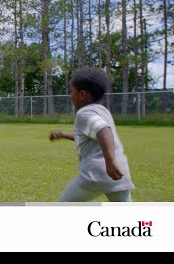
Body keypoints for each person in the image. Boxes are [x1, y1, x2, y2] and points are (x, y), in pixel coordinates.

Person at [49, 67, 135, 202]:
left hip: (97, 174)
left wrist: (110, 161)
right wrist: (63, 134)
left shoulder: (84, 113)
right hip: (119, 172)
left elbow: (103, 129)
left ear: (82, 95)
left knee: (65, 203)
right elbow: (94, 136)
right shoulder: (103, 111)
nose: (70, 96)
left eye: (71, 92)